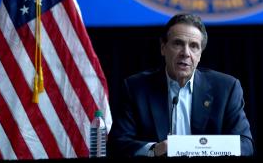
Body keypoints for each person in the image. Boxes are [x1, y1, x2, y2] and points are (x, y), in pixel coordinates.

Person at [108, 13, 254, 157]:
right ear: (163, 47)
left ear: (200, 54)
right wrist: (154, 149)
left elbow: (245, 145)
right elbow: (118, 144)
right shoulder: (135, 88)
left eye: (194, 46)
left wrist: (208, 149)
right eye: (178, 43)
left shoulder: (226, 88)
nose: (186, 53)